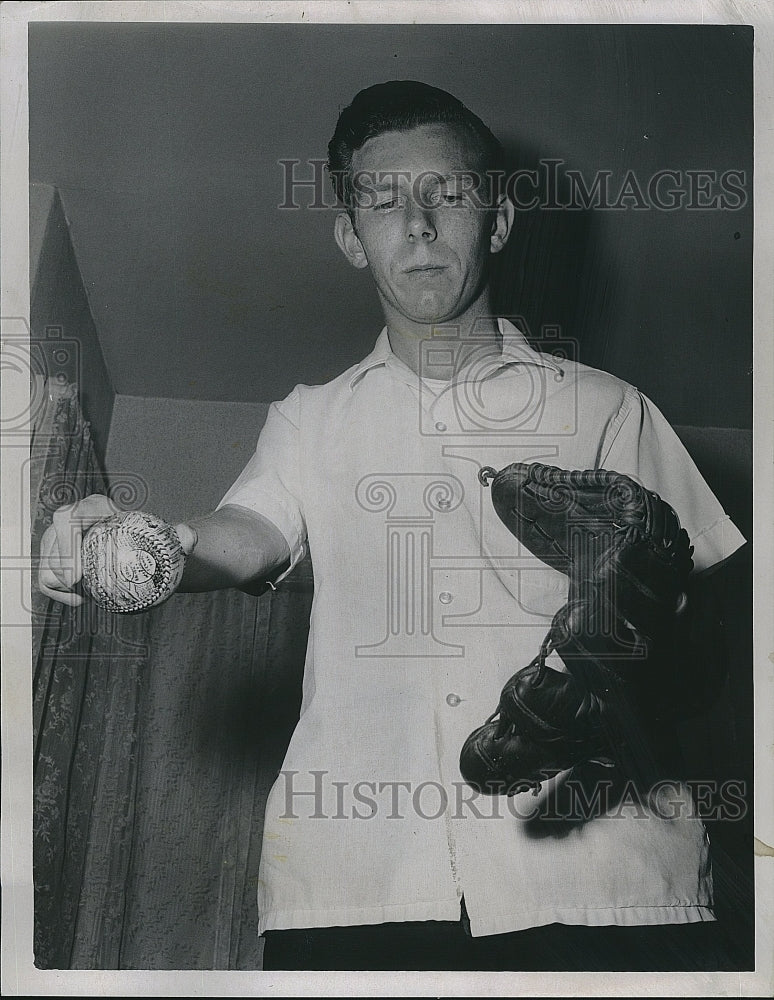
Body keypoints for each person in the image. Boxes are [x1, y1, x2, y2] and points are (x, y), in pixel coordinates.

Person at [38, 81, 746, 972]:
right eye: (382, 201)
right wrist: (146, 540)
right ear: (349, 236)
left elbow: (700, 636)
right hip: (357, 892)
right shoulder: (310, 418)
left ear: (497, 221)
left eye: (447, 195)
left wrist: (629, 657)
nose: (416, 224)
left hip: (611, 885)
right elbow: (242, 531)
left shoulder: (607, 409)